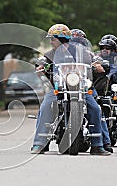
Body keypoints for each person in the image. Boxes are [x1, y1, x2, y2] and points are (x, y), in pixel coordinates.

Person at [31, 24, 110, 155]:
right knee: (45, 107)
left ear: (62, 39)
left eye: (53, 39)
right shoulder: (51, 53)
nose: (51, 42)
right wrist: (40, 66)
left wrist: (98, 64)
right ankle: (39, 143)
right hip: (58, 88)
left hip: (81, 88)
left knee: (95, 109)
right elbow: (42, 61)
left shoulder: (82, 52)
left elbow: (95, 59)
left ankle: (97, 145)